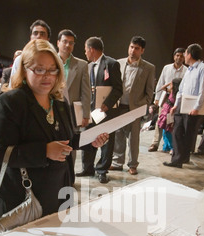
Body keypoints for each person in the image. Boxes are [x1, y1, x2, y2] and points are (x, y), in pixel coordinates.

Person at [0, 39, 108, 221]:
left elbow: (67, 139)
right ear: (25, 70)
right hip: (22, 197)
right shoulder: (9, 103)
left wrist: (91, 140)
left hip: (58, 190)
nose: (47, 76)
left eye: (53, 69)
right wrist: (44, 151)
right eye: (39, 69)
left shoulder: (59, 102)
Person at [76, 37, 123, 184]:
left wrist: (107, 104)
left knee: (106, 141)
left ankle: (102, 170)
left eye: (85, 49)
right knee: (89, 137)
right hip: (91, 111)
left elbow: (118, 89)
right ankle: (87, 168)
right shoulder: (88, 67)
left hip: (107, 111)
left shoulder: (111, 64)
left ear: (91, 49)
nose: (85, 53)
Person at [109, 36, 155, 175]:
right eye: (131, 47)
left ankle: (133, 164)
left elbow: (149, 92)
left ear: (142, 50)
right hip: (118, 106)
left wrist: (142, 106)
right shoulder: (119, 63)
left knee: (134, 139)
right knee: (118, 136)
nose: (132, 51)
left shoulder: (148, 68)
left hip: (134, 108)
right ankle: (117, 162)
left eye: (136, 48)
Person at [163, 44, 204, 168]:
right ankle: (177, 159)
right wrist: (176, 105)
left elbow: (202, 89)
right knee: (177, 131)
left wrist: (197, 107)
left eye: (185, 53)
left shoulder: (202, 68)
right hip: (182, 105)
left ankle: (182, 158)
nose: (184, 56)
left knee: (188, 134)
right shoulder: (188, 69)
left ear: (190, 54)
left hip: (192, 107)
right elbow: (181, 89)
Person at [149, 48, 187, 152]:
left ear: (184, 57)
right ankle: (155, 143)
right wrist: (156, 99)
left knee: (174, 123)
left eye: (181, 56)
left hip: (177, 101)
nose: (179, 58)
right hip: (165, 98)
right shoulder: (167, 68)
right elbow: (161, 82)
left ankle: (172, 146)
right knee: (160, 121)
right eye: (177, 55)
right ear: (174, 56)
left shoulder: (186, 71)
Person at [57, 29, 91, 130]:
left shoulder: (82, 65)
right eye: (65, 41)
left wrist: (86, 114)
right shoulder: (50, 62)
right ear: (58, 43)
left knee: (71, 143)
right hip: (52, 109)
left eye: (71, 43)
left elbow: (86, 92)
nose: (67, 45)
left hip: (71, 112)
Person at [9, 19, 51, 86]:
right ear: (30, 37)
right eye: (35, 33)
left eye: (42, 34)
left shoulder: (54, 61)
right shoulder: (20, 60)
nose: (38, 36)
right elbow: (13, 87)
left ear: (48, 39)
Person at [157, 77, 182, 153]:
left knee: (168, 130)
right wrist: (169, 83)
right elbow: (162, 88)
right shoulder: (172, 91)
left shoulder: (178, 94)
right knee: (164, 129)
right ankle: (166, 147)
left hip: (170, 112)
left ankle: (172, 147)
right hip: (166, 111)